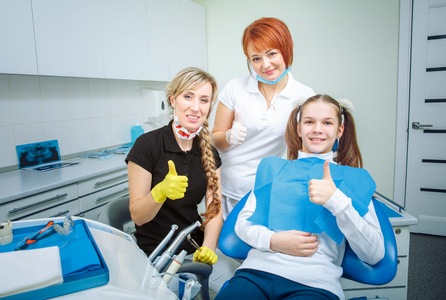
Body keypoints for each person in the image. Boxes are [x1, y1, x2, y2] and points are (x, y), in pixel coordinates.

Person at [215, 94, 385, 300]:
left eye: (327, 123)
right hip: (254, 275)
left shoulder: (355, 180)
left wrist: (337, 201)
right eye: (309, 122)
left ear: (340, 130)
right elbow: (243, 224)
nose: (317, 129)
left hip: (315, 285)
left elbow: (374, 254)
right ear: (298, 128)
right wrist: (274, 241)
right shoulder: (273, 169)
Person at [125, 67, 239, 294]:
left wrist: (209, 247)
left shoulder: (208, 152)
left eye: (204, 100)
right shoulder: (147, 145)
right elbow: (137, 216)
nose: (196, 107)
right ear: (173, 99)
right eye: (188, 96)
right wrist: (159, 193)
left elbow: (214, 209)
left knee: (239, 285)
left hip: (193, 248)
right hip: (156, 253)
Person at [211, 17, 315, 221]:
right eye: (256, 58)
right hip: (228, 190)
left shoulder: (304, 96)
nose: (265, 64)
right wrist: (229, 137)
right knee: (226, 250)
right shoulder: (235, 87)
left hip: (267, 192)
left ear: (286, 49)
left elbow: (309, 148)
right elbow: (215, 139)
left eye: (272, 54)